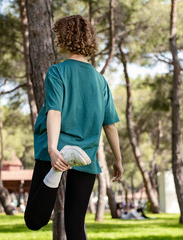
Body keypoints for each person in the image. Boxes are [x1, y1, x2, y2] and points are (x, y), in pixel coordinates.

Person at [24, 15, 124, 240]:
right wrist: (118, 159)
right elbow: (110, 125)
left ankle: (56, 172)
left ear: (62, 38)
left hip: (55, 150)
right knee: (76, 225)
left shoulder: (57, 72)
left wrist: (52, 150)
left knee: (34, 220)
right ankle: (61, 165)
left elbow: (55, 112)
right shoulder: (100, 81)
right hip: (85, 155)